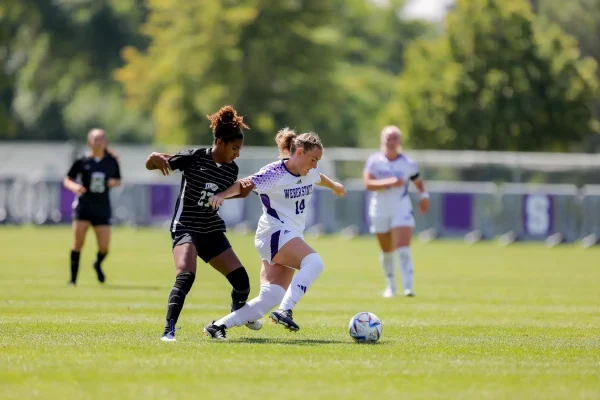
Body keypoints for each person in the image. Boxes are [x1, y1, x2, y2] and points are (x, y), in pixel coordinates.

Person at [202, 128, 346, 340]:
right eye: (313, 159)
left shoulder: (309, 172)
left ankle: (218, 326)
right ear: (298, 153)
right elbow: (245, 184)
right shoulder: (275, 173)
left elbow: (319, 177)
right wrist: (222, 195)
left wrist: (334, 185)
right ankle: (285, 310)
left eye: (318, 160)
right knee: (314, 262)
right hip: (274, 232)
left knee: (271, 296)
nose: (315, 165)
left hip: (289, 236)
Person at [145, 105, 258, 342]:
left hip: (211, 228)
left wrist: (242, 194)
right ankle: (169, 331)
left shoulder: (231, 169)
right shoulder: (194, 157)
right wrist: (152, 159)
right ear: (220, 142)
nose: (237, 154)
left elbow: (223, 194)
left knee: (241, 281)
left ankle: (234, 315)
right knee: (186, 275)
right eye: (235, 148)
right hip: (186, 226)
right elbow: (156, 164)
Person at [362, 125, 429, 298]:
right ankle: (390, 287)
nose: (391, 141)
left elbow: (418, 183)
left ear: (399, 141)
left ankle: (408, 287)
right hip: (379, 209)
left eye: (394, 138)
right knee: (387, 251)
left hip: (401, 208)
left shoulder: (408, 163)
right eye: (388, 138)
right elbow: (368, 184)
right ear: (382, 140)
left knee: (403, 248)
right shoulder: (374, 161)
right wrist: (390, 182)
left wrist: (424, 196)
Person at [64, 129, 121, 286]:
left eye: (102, 139)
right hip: (84, 207)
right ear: (89, 142)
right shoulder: (82, 161)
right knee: (78, 243)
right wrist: (75, 187)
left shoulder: (111, 161)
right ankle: (73, 280)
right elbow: (67, 179)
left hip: (102, 208)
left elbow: (118, 179)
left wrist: (113, 182)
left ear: (105, 142)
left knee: (104, 247)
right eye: (96, 139)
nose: (99, 142)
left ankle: (97, 263)